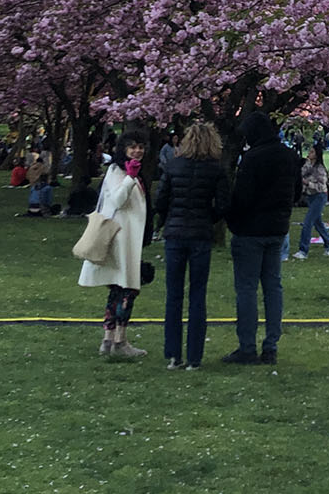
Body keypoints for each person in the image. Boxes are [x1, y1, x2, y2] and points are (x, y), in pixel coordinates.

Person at [223, 110, 302, 366]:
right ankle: (271, 345)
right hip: (277, 229)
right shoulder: (289, 156)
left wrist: (233, 221)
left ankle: (247, 346)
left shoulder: (252, 159)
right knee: (273, 287)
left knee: (247, 289)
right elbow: (297, 190)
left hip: (250, 231)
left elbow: (242, 197)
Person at [155, 121, 230, 370]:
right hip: (200, 234)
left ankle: (173, 354)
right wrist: (208, 218)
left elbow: (161, 199)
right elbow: (222, 205)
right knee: (198, 295)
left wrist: (167, 219)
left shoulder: (174, 166)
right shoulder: (216, 170)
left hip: (175, 234)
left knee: (173, 295)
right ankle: (194, 357)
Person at [78, 129, 150, 360]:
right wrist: (130, 178)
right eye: (132, 147)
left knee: (119, 288)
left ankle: (109, 340)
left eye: (140, 146)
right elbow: (118, 199)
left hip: (130, 237)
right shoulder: (117, 171)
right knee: (126, 288)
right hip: (122, 238)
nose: (137, 151)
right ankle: (118, 339)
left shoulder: (135, 172)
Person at [294, 144, 329, 259]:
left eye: (312, 152)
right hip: (310, 196)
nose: (309, 153)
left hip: (319, 196)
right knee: (318, 223)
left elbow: (321, 186)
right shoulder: (308, 165)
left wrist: (308, 183)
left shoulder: (320, 169)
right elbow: (301, 173)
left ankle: (303, 250)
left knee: (307, 223)